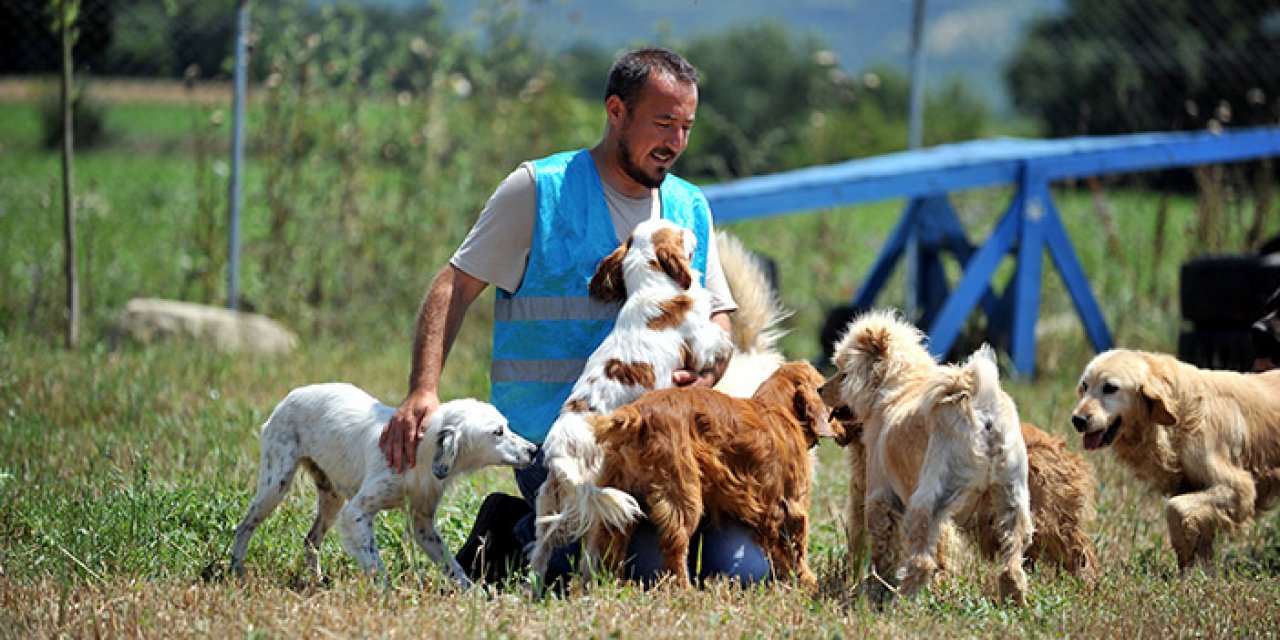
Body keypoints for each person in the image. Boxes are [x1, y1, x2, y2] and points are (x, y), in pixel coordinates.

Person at [378, 48, 771, 587]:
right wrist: (423, 390)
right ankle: (513, 532)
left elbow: (719, 317)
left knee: (740, 572)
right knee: (632, 573)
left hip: (660, 444)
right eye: (662, 123)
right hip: (560, 445)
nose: (676, 143)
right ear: (615, 111)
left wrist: (706, 373)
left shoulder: (689, 207)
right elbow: (455, 284)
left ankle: (546, 533)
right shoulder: (538, 190)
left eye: (686, 126)